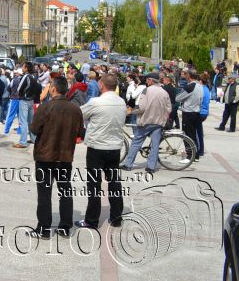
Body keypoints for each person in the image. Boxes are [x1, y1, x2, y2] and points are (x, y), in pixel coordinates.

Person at [30, 76, 83, 239]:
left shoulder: (46, 107)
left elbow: (34, 128)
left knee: (44, 193)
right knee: (65, 191)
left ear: (53, 89)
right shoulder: (75, 109)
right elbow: (80, 132)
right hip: (64, 157)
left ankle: (44, 229)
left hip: (45, 157)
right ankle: (65, 227)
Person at [76, 73, 125, 229]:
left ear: (102, 85)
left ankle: (91, 220)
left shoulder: (96, 102)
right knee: (114, 182)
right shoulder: (121, 102)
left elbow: (79, 114)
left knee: (94, 185)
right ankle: (116, 217)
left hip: (97, 148)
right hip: (114, 148)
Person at [121, 73, 171, 173]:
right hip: (158, 122)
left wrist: (131, 111)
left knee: (136, 143)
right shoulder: (164, 92)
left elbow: (142, 108)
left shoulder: (146, 90)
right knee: (155, 145)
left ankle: (128, 164)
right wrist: (163, 118)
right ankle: (151, 167)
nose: (146, 81)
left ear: (151, 81)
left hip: (146, 121)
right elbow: (169, 108)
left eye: (147, 80)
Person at [175, 68, 204, 163]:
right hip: (196, 112)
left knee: (187, 135)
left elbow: (177, 98)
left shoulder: (190, 86)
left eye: (186, 74)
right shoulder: (200, 86)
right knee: (193, 135)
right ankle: (195, 156)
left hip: (188, 113)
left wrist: (184, 100)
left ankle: (189, 156)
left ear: (189, 76)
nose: (185, 76)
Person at [14, 62, 39, 148]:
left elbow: (19, 89)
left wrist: (20, 94)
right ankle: (33, 139)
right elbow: (37, 88)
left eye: (23, 67)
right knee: (31, 121)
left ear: (26, 68)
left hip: (24, 100)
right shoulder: (34, 76)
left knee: (23, 122)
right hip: (31, 100)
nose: (22, 68)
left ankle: (23, 142)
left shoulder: (26, 76)